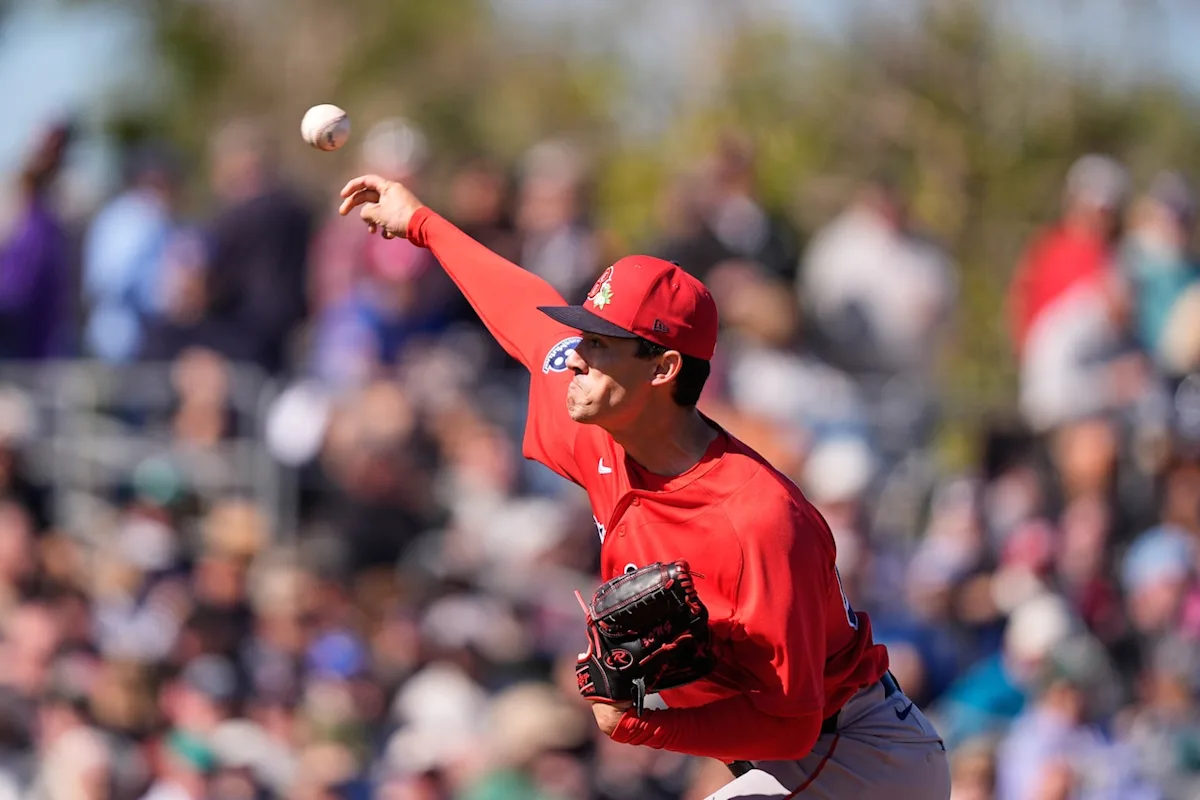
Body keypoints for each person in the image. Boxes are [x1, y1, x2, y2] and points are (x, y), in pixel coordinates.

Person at [337, 172, 951, 799]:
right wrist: (422, 224)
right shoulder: (602, 424)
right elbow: (524, 312)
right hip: (783, 751)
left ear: (663, 368)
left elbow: (792, 725)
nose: (576, 355)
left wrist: (644, 724)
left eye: (600, 343)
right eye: (582, 335)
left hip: (858, 757)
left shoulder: (757, 517)